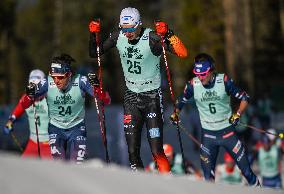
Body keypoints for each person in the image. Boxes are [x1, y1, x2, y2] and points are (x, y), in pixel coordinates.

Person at [89, 7, 188, 172]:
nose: (127, 33)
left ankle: (167, 183)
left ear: (139, 25)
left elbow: (183, 53)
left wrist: (169, 34)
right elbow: (95, 53)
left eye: (131, 29)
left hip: (152, 98)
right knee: (132, 152)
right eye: (124, 29)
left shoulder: (151, 38)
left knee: (157, 151)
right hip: (131, 98)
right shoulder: (117, 36)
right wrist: (93, 34)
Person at [170, 53, 260, 186]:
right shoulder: (192, 84)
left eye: (204, 74)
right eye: (197, 74)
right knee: (208, 179)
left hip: (228, 134)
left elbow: (245, 98)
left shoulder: (223, 80)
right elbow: (180, 102)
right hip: (208, 136)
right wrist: (175, 114)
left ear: (211, 70)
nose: (200, 77)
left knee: (247, 172)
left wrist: (238, 114)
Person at [22, 54, 110, 163]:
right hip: (56, 129)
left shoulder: (80, 81)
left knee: (76, 164)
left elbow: (105, 100)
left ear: (69, 74)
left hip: (77, 128)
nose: (56, 81)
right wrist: (29, 95)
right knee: (59, 166)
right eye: (54, 76)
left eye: (60, 77)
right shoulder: (47, 82)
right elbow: (24, 104)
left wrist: (97, 88)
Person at [3, 69, 52, 159]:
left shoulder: (51, 99)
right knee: (22, 168)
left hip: (48, 144)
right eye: (32, 86)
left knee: (51, 169)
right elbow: (19, 109)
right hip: (33, 142)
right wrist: (11, 120)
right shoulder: (26, 98)